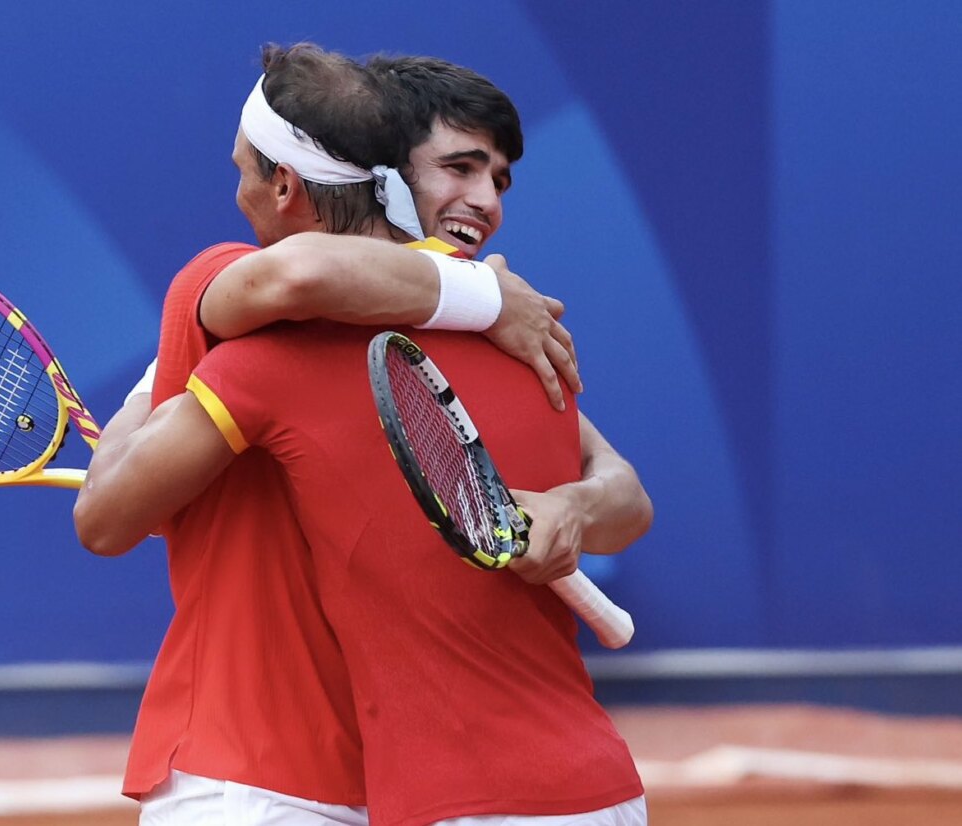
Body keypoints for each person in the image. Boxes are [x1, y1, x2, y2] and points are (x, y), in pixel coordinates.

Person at [75, 44, 651, 824]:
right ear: (389, 178)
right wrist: (479, 289)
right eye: (460, 167)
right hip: (526, 785)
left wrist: (576, 508)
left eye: (496, 177)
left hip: (263, 786)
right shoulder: (518, 334)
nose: (485, 200)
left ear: (284, 184)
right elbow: (300, 276)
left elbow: (103, 519)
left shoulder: (257, 338)